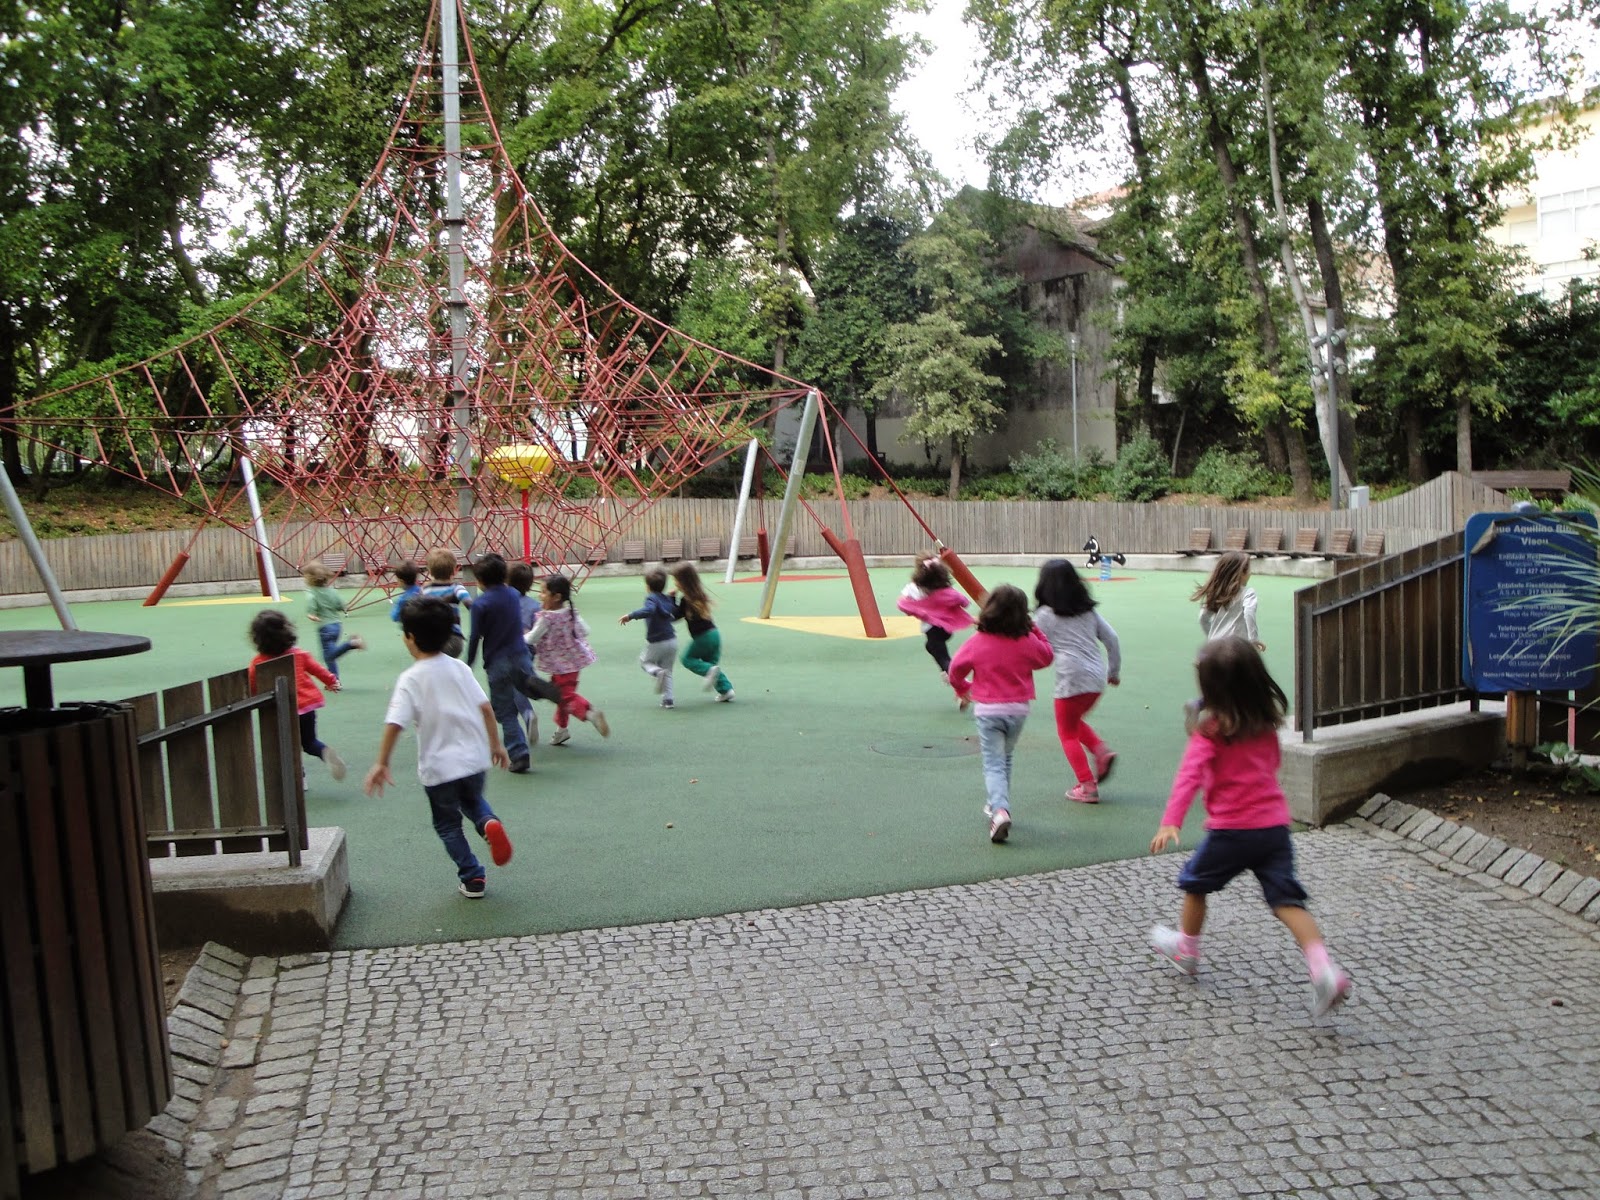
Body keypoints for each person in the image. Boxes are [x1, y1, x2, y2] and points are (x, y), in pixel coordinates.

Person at [1149, 637, 1352, 1017]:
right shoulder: (1265, 724)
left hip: (1231, 831)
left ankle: (1187, 949)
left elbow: (1189, 777)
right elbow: (1272, 764)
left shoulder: (1211, 732)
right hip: (1274, 829)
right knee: (1287, 900)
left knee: (1195, 884)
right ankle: (1324, 970)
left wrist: (1170, 821)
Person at [363, 598, 514, 899]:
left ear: (410, 638)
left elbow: (395, 723)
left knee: (447, 825)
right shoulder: (459, 668)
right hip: (473, 759)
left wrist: (382, 762)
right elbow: (486, 708)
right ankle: (489, 823)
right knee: (474, 802)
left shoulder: (410, 679)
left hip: (439, 767)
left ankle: (473, 876)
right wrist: (496, 744)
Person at [947, 584, 1054, 844]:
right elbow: (1047, 656)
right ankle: (996, 803)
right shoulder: (1026, 641)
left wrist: (963, 688)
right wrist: (1033, 628)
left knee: (993, 763)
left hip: (988, 711)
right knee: (1004, 757)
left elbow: (955, 670)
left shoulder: (978, 641)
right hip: (1018, 710)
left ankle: (999, 810)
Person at [1033, 559, 1122, 803]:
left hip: (1071, 679)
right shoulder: (1088, 612)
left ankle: (1087, 785)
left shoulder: (1044, 615)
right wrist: (1113, 672)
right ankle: (1101, 751)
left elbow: (1030, 641)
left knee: (1067, 733)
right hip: (1096, 678)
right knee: (1073, 722)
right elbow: (1112, 639)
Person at [247, 609, 348, 782]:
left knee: (286, 746)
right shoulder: (298, 654)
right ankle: (324, 752)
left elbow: (252, 684)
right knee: (309, 742)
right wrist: (331, 681)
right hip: (306, 706)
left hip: (281, 710)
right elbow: (317, 669)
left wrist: (254, 697)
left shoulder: (258, 663)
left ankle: (299, 778)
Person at [464, 553, 535, 774]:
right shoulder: (513, 594)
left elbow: (476, 636)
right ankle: (537, 687)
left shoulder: (480, 604)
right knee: (521, 689)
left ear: (480, 581)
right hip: (521, 655)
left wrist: (468, 664)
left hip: (498, 661)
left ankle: (519, 753)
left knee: (505, 712)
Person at [525, 574, 609, 744]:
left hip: (559, 665)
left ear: (556, 597)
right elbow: (585, 631)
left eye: (543, 592)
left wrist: (520, 636)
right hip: (574, 663)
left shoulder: (547, 619)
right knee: (561, 695)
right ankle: (561, 730)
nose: (540, 596)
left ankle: (589, 713)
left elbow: (532, 639)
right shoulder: (571, 613)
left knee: (564, 696)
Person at [896, 555, 975, 706]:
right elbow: (964, 602)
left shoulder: (914, 588)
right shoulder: (947, 591)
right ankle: (952, 679)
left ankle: (961, 683)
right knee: (931, 647)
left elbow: (902, 603)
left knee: (943, 658)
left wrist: (919, 610)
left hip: (932, 629)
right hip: (946, 630)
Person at [669, 562, 734, 702]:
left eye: (676, 580)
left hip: (702, 637)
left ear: (683, 582)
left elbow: (673, 617)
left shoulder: (686, 600)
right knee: (711, 666)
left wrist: (671, 599)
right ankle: (726, 690)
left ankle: (712, 674)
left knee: (687, 659)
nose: (675, 583)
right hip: (714, 635)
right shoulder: (700, 596)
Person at [619, 566, 678, 708]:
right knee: (668, 670)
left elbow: (649, 610)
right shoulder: (666, 599)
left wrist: (631, 616)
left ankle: (657, 673)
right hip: (672, 640)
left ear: (647, 586)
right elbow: (673, 611)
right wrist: (672, 598)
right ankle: (668, 700)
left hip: (657, 640)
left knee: (645, 662)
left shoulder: (651, 598)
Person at [302, 560, 364, 679]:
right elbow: (340, 605)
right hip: (337, 626)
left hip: (325, 628)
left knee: (329, 656)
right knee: (330, 655)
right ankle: (335, 680)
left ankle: (351, 644)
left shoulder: (312, 592)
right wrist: (343, 607)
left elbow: (311, 604)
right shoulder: (332, 591)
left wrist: (311, 614)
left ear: (309, 579)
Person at [1193, 550, 1264, 650]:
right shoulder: (1248, 593)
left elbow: (1202, 618)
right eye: (1249, 570)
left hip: (1216, 647)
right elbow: (1249, 612)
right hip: (1237, 647)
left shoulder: (1216, 592)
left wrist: (1213, 638)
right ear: (1242, 573)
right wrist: (1253, 639)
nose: (1250, 573)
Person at [420, 549, 474, 657]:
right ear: (455, 570)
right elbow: (471, 605)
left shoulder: (425, 590)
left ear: (430, 571)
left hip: (431, 638)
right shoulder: (456, 588)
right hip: (453, 638)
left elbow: (418, 610)